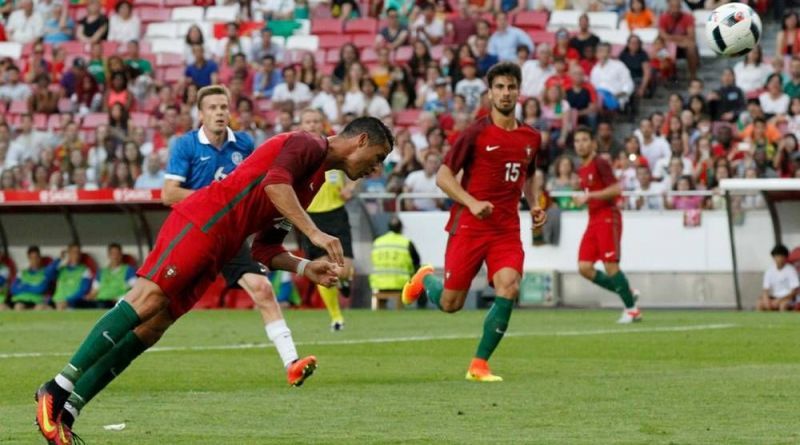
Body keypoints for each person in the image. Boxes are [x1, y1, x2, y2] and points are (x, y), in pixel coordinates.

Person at [34, 116, 394, 444]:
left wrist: (304, 267)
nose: (375, 168)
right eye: (377, 157)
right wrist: (315, 233)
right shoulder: (309, 143)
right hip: (203, 222)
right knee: (147, 299)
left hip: (223, 244)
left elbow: (266, 249)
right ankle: (57, 388)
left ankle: (69, 410)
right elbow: (274, 184)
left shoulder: (314, 182)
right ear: (361, 140)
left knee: (153, 326)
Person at [401, 62, 545, 382]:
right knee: (451, 304)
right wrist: (471, 201)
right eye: (500, 87)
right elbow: (443, 175)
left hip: (506, 229)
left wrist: (534, 204)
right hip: (469, 225)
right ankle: (426, 280)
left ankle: (479, 364)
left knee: (509, 286)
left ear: (519, 91)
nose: (506, 93)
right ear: (490, 92)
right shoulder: (476, 133)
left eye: (511, 87)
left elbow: (529, 174)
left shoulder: (531, 137)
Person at [572, 127, 641, 324]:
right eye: (577, 141)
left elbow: (616, 189)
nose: (581, 144)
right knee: (584, 267)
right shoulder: (582, 168)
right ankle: (627, 292)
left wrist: (590, 196)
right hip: (593, 219)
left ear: (592, 143)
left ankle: (632, 310)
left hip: (608, 216)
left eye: (585, 139)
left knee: (610, 265)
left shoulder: (600, 162)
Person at [297, 108, 356, 331]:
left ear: (322, 125)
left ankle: (345, 281)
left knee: (345, 269)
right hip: (311, 218)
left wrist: (350, 187)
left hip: (337, 214)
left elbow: (358, 168)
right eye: (307, 121)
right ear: (301, 125)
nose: (311, 125)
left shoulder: (334, 150)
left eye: (315, 121)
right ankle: (336, 317)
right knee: (328, 269)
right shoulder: (297, 153)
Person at [369, 216, 422, 308]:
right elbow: (417, 261)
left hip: (378, 282)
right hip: (400, 282)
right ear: (401, 229)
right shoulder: (406, 242)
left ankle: (381, 309)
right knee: (421, 273)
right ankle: (422, 306)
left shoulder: (377, 242)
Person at [86, 243, 135, 309]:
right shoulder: (101, 272)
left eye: (117, 254)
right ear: (108, 255)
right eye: (112, 254)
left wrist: (120, 298)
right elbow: (94, 291)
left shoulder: (129, 270)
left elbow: (134, 290)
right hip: (100, 302)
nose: (115, 256)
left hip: (117, 303)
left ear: (121, 255)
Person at [51, 243, 93, 311]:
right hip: (56, 301)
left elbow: (83, 290)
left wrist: (68, 301)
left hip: (71, 303)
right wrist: (59, 258)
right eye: (73, 252)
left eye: (78, 252)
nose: (76, 255)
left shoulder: (85, 270)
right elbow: (47, 274)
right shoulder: (61, 270)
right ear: (69, 253)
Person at [756, 245, 799, 311]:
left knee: (783, 305)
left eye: (781, 256)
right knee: (760, 303)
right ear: (773, 257)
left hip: (787, 298)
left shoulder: (791, 270)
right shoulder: (769, 271)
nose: (779, 258)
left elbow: (794, 291)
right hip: (775, 297)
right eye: (777, 256)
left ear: (785, 257)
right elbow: (765, 289)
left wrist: (779, 300)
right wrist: (766, 299)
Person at [10, 246, 51, 310]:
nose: (34, 260)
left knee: (39, 308)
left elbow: (41, 289)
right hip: (21, 300)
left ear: (40, 258)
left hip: (38, 300)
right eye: (31, 258)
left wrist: (24, 286)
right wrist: (33, 287)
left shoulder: (46, 272)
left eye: (36, 257)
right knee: (18, 307)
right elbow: (13, 289)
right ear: (28, 258)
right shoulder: (21, 273)